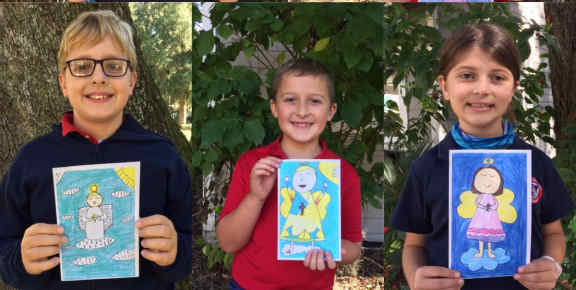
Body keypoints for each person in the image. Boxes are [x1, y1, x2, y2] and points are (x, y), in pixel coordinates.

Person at [0, 10, 193, 289]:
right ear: (63, 82)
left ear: (132, 81)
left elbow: (185, 255)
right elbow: (5, 251)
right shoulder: (31, 160)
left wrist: (175, 253)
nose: (99, 77)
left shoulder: (163, 157)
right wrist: (21, 259)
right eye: (82, 66)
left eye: (113, 66)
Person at [392, 23, 574, 290]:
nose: (482, 89)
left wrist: (551, 262)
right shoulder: (427, 167)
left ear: (513, 89)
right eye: (467, 75)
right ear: (444, 86)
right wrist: (416, 275)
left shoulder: (537, 163)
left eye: (497, 77)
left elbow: (554, 233)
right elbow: (414, 245)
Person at [216, 59, 362, 289]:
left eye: (314, 101)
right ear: (274, 107)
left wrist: (332, 250)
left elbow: (353, 247)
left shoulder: (343, 174)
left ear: (331, 110)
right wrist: (255, 197)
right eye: (290, 100)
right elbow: (227, 242)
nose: (302, 111)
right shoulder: (253, 164)